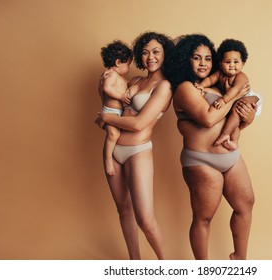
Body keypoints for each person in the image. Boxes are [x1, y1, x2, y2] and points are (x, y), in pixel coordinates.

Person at [164, 34, 260, 260]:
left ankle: (239, 260)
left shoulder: (221, 83)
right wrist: (235, 96)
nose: (203, 63)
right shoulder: (185, 88)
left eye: (208, 58)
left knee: (245, 205)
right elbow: (208, 119)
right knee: (203, 218)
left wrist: (248, 117)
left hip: (230, 156)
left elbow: (234, 118)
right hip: (201, 161)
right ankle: (203, 268)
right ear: (185, 60)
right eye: (196, 58)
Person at [95, 31, 174, 260]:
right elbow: (113, 105)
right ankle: (135, 264)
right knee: (124, 210)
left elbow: (139, 123)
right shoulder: (136, 80)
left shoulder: (165, 86)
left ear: (165, 54)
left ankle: (168, 267)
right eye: (145, 52)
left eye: (156, 51)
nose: (150, 57)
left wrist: (106, 118)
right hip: (113, 150)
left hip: (137, 152)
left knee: (145, 219)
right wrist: (105, 81)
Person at [194, 39, 262, 150]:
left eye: (236, 62)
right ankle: (233, 142)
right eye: (227, 62)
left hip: (248, 97)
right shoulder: (219, 74)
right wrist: (202, 85)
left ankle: (225, 134)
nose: (231, 65)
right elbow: (210, 80)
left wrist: (223, 100)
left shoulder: (241, 76)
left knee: (236, 110)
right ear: (221, 64)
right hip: (233, 99)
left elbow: (235, 90)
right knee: (232, 120)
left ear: (243, 63)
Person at [98, 40, 133, 176]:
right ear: (118, 62)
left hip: (118, 113)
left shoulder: (120, 78)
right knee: (113, 135)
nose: (129, 69)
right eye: (128, 65)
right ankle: (107, 160)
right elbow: (107, 88)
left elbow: (125, 85)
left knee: (118, 136)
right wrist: (120, 97)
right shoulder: (111, 74)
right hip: (111, 111)